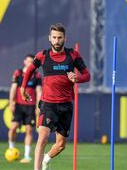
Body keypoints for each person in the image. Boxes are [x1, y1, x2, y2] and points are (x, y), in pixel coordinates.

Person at [20, 23, 91, 170]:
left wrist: (77, 79)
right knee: (43, 137)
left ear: (65, 38)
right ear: (49, 38)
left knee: (60, 145)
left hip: (66, 105)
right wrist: (23, 87)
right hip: (48, 104)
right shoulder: (43, 56)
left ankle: (47, 158)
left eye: (60, 37)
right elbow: (29, 71)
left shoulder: (73, 55)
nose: (57, 40)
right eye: (54, 37)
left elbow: (87, 75)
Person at [8, 54, 42, 163]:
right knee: (13, 127)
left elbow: (39, 91)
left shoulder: (36, 76)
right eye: (28, 61)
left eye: (32, 62)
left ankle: (27, 156)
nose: (30, 64)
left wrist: (38, 106)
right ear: (24, 62)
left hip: (30, 107)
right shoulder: (18, 73)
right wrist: (11, 102)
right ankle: (11, 149)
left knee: (29, 130)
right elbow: (13, 89)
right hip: (18, 105)